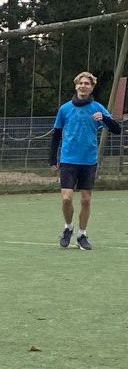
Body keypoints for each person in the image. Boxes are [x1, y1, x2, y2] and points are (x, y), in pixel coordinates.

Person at [51, 71, 122, 250]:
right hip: (68, 159)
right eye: (80, 83)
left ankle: (82, 235)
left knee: (86, 200)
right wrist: (52, 159)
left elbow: (117, 129)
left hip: (89, 160)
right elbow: (56, 134)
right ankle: (68, 228)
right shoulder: (65, 109)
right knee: (66, 198)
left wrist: (104, 118)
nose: (83, 86)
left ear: (92, 88)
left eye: (87, 84)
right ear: (76, 86)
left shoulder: (98, 108)